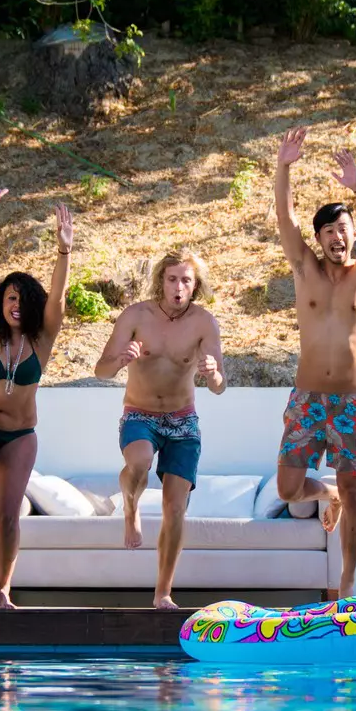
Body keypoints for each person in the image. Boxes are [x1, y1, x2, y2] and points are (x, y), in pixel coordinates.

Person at [271, 126, 356, 600]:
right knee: (287, 489)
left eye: (344, 230)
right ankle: (327, 495)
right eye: (329, 231)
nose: (338, 237)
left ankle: (347, 581)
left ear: (352, 234)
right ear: (319, 239)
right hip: (307, 399)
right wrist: (284, 167)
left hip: (349, 400)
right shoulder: (306, 269)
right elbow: (284, 217)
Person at [0, 190, 75, 608]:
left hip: (20, 434)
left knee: (8, 514)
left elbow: (58, 297)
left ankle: (3, 591)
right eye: (10, 298)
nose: (15, 305)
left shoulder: (42, 341)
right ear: (0, 303)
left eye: (23, 299)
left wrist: (63, 250)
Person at [93, 249, 227, 609]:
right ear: (161, 281)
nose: (178, 287)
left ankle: (162, 593)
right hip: (141, 413)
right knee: (139, 461)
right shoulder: (137, 315)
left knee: (175, 507)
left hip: (183, 420)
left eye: (186, 280)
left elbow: (219, 385)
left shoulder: (204, 323)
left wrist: (212, 371)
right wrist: (121, 361)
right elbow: (100, 370)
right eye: (172, 279)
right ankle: (131, 508)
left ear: (195, 285)